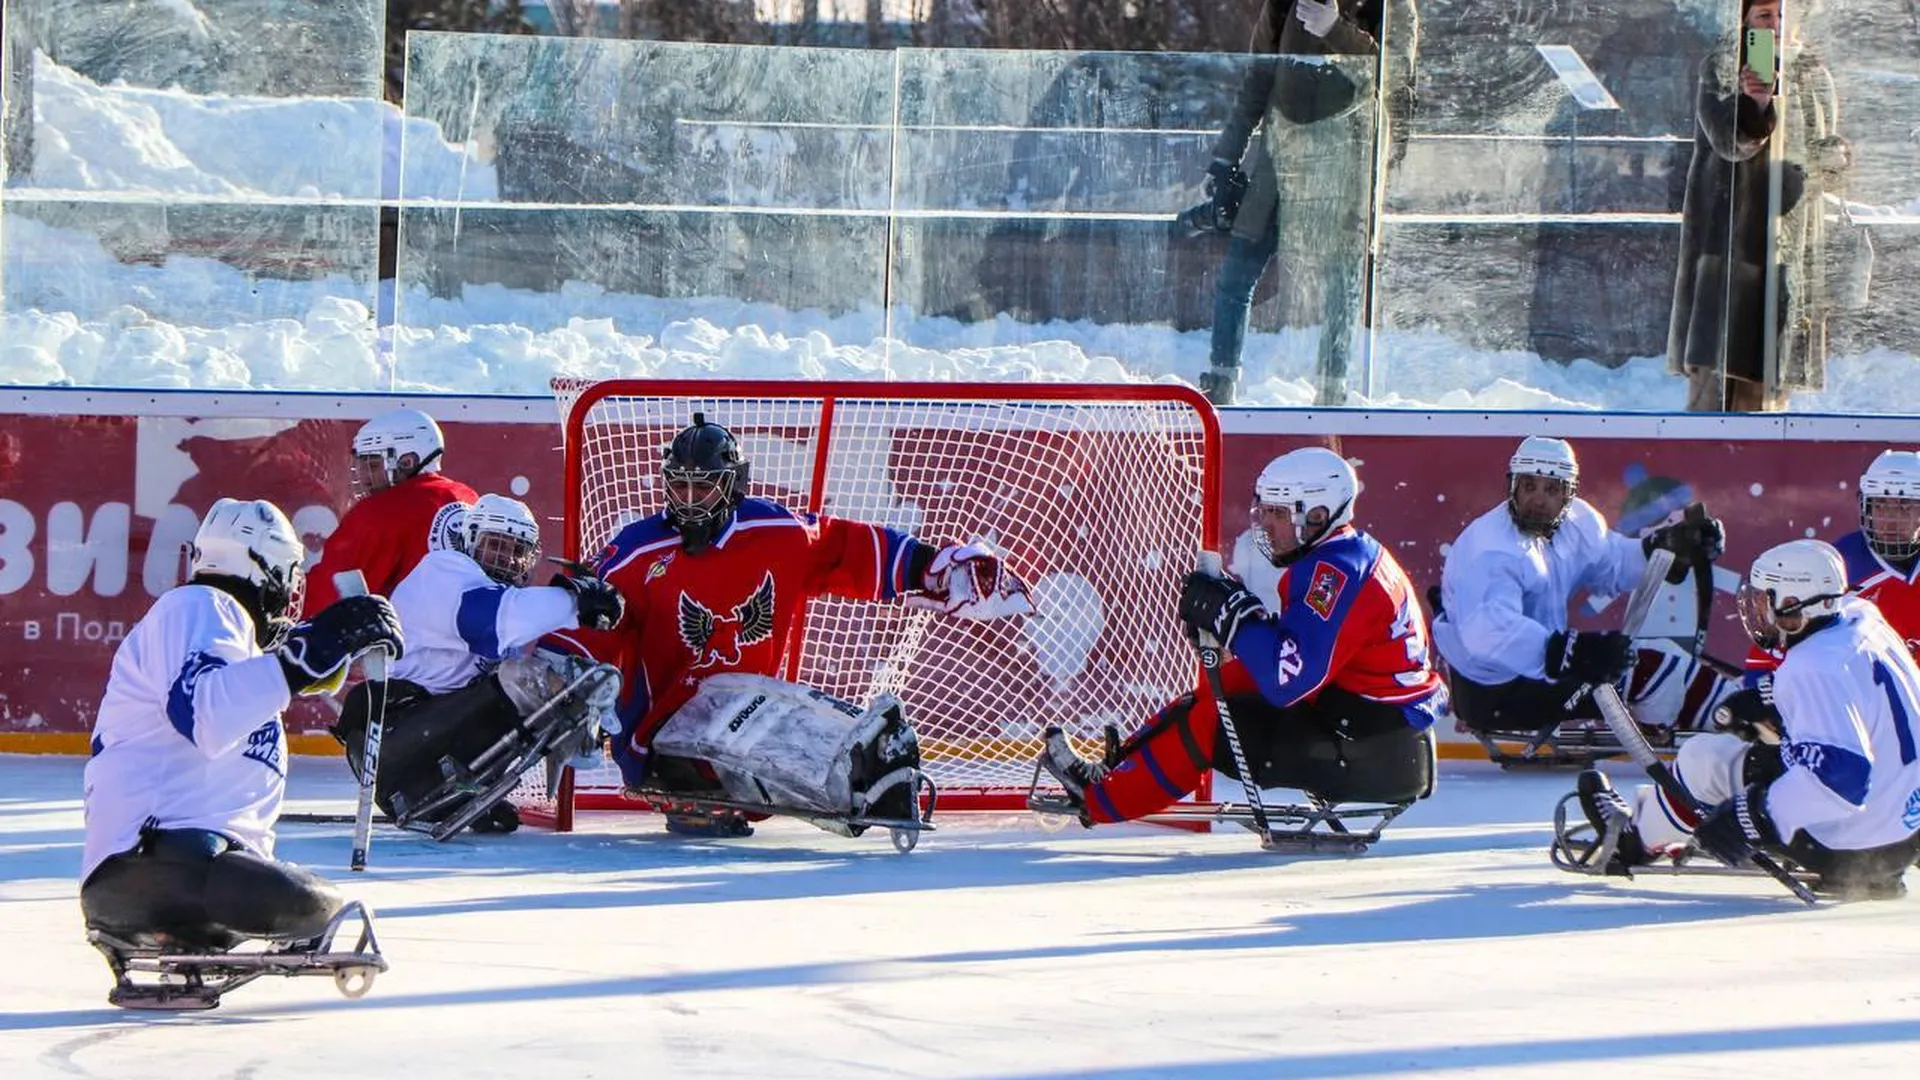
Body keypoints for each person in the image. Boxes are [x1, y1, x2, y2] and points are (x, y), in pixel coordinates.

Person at [548, 414, 1033, 837]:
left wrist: (935, 567)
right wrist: (565, 681)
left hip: (749, 711)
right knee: (758, 731)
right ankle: (731, 785)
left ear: (734, 484)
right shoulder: (637, 550)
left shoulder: (779, 534)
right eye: (680, 485)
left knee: (807, 725)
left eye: (704, 486)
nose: (690, 499)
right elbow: (588, 622)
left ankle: (868, 777)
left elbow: (850, 549)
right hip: (657, 736)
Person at [1036, 447, 1444, 826]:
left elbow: (1289, 681)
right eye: (1264, 510)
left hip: (1370, 746)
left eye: (1279, 514)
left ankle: (1101, 801)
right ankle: (1116, 772)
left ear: (1318, 515)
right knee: (1224, 684)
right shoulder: (1344, 554)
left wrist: (1240, 624)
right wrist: (1242, 625)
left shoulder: (1333, 575)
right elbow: (1304, 652)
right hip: (1370, 724)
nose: (1265, 524)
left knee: (1214, 719)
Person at [81, 498, 405, 955]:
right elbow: (205, 713)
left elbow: (255, 681)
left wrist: (335, 646)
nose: (293, 593)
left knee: (315, 906)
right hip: (165, 864)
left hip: (165, 872)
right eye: (290, 575)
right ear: (265, 569)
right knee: (325, 908)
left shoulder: (219, 633)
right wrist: (313, 649)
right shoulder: (200, 605)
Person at [1575, 539, 1920, 900]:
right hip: (1907, 830)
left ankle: (1631, 841)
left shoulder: (1811, 667)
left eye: (1764, 598)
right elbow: (1865, 702)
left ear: (1791, 603)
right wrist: (1771, 701)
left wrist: (1755, 816)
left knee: (1703, 761)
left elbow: (1842, 781)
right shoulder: (1863, 617)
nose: (1757, 610)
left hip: (1858, 849)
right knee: (1771, 751)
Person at [330, 494, 625, 834]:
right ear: (469, 541)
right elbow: (487, 621)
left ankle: (474, 790)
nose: (505, 558)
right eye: (495, 545)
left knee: (547, 678)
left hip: (425, 759)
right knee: (526, 679)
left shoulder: (491, 592)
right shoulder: (443, 571)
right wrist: (575, 601)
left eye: (516, 551)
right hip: (395, 746)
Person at [1195, 0, 1417, 407]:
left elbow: (1395, 74)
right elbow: (1258, 78)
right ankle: (1221, 383)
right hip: (1281, 159)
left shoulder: (1389, 6)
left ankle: (1332, 391)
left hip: (1346, 165)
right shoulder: (1284, 4)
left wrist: (1336, 29)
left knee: (1340, 282)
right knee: (1238, 271)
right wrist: (1226, 158)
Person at [1432, 436, 1727, 738]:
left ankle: (1689, 716)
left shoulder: (1577, 522)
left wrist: (1660, 548)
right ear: (1513, 487)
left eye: (1552, 489)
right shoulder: (1491, 549)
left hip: (1535, 672)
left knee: (1640, 658)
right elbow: (1487, 633)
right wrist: (1571, 654)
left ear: (1568, 494)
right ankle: (1736, 718)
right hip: (1497, 691)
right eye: (1528, 486)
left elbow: (1613, 564)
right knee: (1645, 669)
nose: (1537, 499)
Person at [1668, 0, 1856, 413]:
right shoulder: (1724, 66)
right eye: (1764, 15)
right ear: (1744, 19)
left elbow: (1823, 149)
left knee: (1770, 402)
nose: (1776, 24)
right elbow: (1727, 141)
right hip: (1731, 255)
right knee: (1717, 401)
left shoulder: (1810, 72)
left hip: (1788, 252)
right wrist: (1755, 107)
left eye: (1782, 14)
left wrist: (1833, 157)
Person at [304, 406, 478, 615]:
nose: (365, 478)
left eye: (374, 465)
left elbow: (329, 589)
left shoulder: (379, 511)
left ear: (407, 461)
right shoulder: (469, 498)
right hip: (473, 637)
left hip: (407, 642)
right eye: (362, 466)